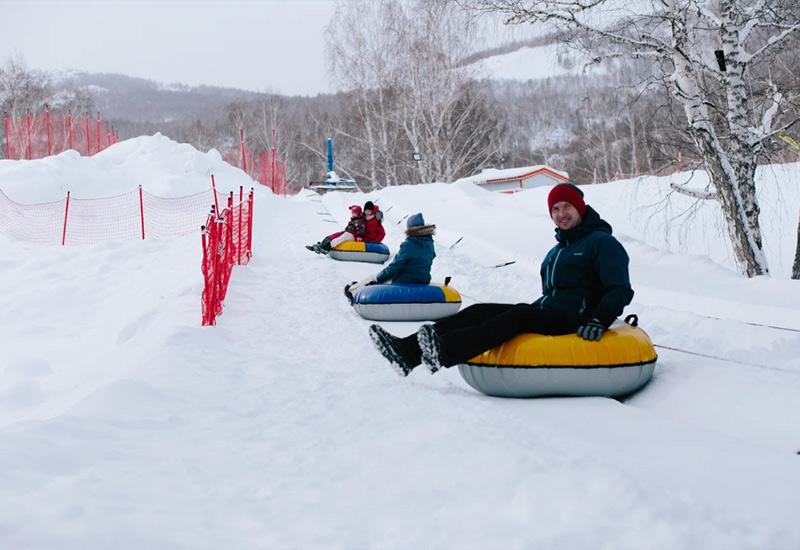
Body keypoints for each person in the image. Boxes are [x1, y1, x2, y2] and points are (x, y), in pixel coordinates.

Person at [368, 183, 634, 377]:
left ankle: (444, 352)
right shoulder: (559, 249)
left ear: (580, 208)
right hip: (550, 311)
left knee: (516, 318)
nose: (561, 213)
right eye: (555, 209)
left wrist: (599, 319)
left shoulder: (602, 242)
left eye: (567, 207)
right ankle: (407, 351)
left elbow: (619, 288)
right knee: (480, 311)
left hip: (577, 319)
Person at [345, 212, 436, 301]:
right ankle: (356, 287)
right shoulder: (430, 243)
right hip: (423, 280)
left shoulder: (409, 244)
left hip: (405, 280)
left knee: (374, 278)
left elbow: (395, 266)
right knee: (378, 277)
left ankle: (352, 291)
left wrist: (379, 278)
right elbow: (432, 256)